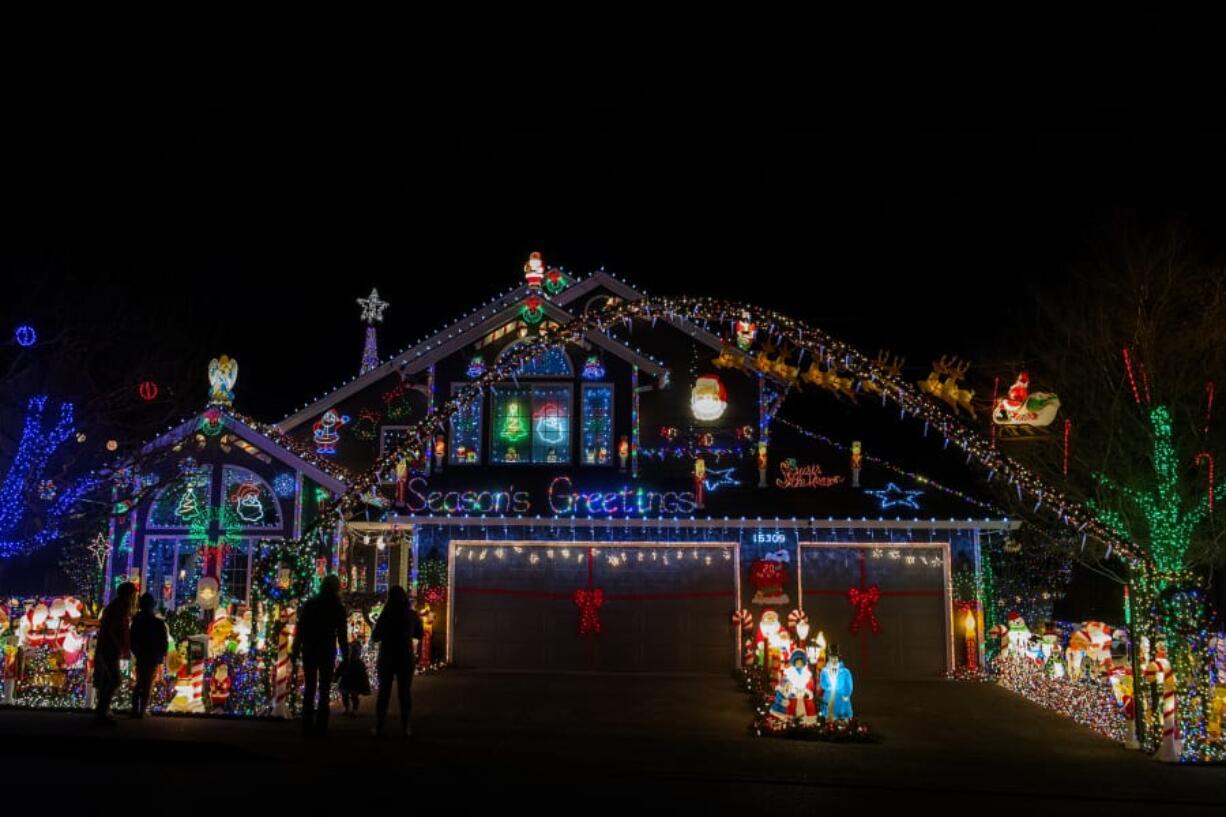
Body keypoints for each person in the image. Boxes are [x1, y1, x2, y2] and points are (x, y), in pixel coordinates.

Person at [292, 574, 348, 736]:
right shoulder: (338, 607)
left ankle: (307, 724)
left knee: (310, 687)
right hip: (327, 649)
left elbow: (301, 629)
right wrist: (345, 654)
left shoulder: (311, 604)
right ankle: (322, 725)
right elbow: (342, 634)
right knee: (324, 688)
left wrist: (295, 649)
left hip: (310, 648)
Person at [371, 585, 423, 738]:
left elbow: (375, 637)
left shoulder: (386, 615)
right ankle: (405, 727)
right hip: (405, 656)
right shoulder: (411, 614)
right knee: (404, 692)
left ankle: (380, 726)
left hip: (387, 655)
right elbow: (419, 634)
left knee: (384, 692)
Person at [93, 582, 137, 724]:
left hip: (108, 647)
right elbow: (112, 629)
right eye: (133, 594)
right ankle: (102, 711)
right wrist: (119, 645)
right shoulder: (120, 606)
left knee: (108, 679)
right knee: (115, 679)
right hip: (109, 648)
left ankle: (103, 710)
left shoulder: (116, 605)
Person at [129, 592, 169, 718]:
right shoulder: (157, 623)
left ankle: (136, 710)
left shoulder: (137, 621)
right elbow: (163, 641)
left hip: (142, 655)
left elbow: (132, 639)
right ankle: (141, 711)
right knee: (146, 683)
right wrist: (161, 655)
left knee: (141, 682)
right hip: (152, 655)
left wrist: (136, 651)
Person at [337, 637, 371, 716]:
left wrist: (365, 683)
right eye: (352, 651)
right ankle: (347, 708)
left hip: (355, 682)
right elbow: (339, 670)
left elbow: (363, 674)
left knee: (354, 696)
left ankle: (354, 709)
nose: (353, 653)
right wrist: (336, 676)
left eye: (355, 652)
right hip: (346, 681)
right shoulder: (345, 661)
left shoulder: (359, 663)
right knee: (345, 695)